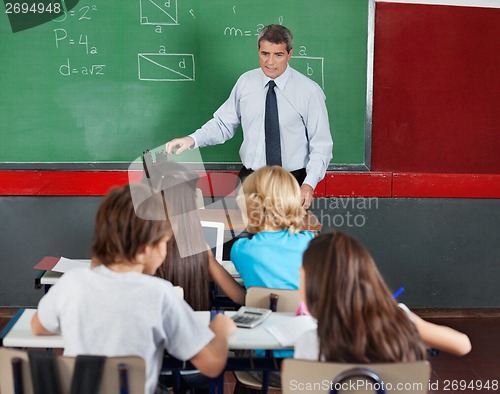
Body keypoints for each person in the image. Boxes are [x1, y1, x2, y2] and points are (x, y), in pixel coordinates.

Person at [31, 184, 236, 394]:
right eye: (165, 242)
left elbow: (38, 327)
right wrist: (220, 332)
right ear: (147, 248)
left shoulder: (72, 282)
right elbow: (211, 365)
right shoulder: (160, 293)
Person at [165, 24, 333, 209]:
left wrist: (308, 184)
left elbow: (321, 145)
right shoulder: (246, 83)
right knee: (243, 235)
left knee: (286, 237)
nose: (270, 62)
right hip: (250, 181)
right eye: (264, 53)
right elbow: (223, 124)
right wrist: (192, 139)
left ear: (289, 54)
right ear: (258, 51)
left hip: (292, 181)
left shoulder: (309, 91)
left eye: (278, 55)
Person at [295, 231, 472, 362]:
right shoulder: (401, 321)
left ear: (315, 287)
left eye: (301, 274)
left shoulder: (308, 344)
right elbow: (463, 345)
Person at [230, 165, 315, 290]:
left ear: (251, 209)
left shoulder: (240, 249)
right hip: (301, 310)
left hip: (259, 309)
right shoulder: (310, 244)